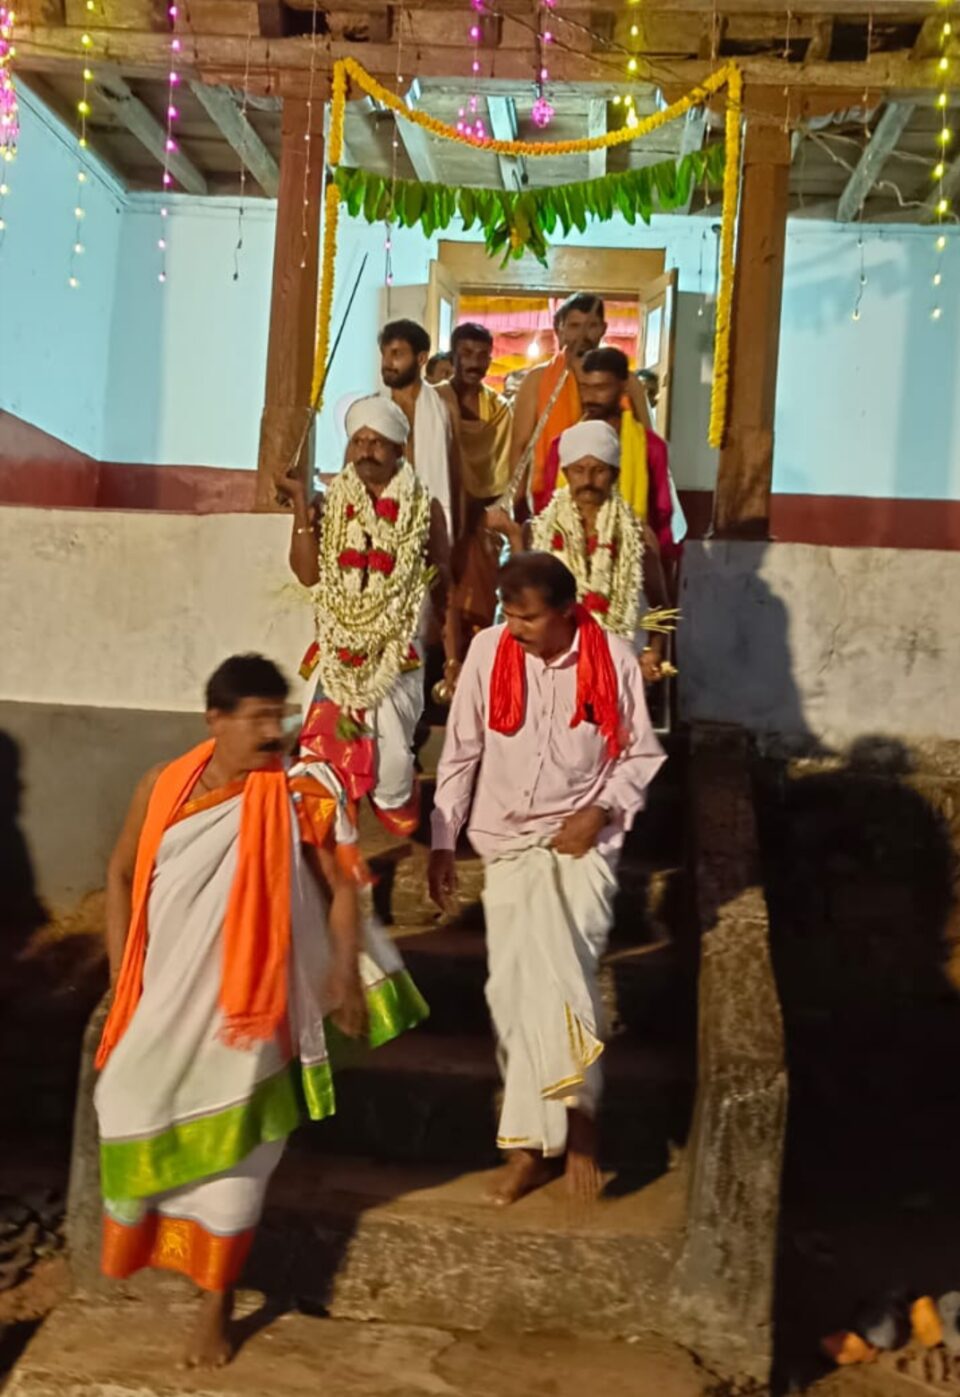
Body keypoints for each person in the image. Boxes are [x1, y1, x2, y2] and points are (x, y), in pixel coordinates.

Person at [95, 654, 427, 1368]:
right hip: (166, 994)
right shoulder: (161, 785)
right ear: (215, 719)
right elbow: (122, 873)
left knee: (238, 1159)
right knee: (122, 1100)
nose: (272, 731)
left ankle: (215, 1304)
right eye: (255, 718)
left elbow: (343, 887)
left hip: (251, 1008)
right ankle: (161, 1249)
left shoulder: (301, 794)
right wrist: (125, 975)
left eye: (278, 716)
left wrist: (343, 972)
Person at [429, 554, 665, 1205]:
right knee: (512, 996)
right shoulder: (487, 651)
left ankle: (580, 1123)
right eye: (509, 615)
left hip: (578, 847)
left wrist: (600, 810)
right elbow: (462, 750)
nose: (516, 628)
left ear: (565, 612)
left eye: (528, 617)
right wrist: (443, 840)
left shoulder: (612, 658)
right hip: (508, 843)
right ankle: (529, 1149)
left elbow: (640, 755)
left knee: (566, 988)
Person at [280, 396, 458, 835]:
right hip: (337, 648)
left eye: (376, 442)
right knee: (320, 746)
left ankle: (394, 795)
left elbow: (445, 590)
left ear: (398, 449)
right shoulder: (330, 505)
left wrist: (452, 658)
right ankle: (334, 835)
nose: (365, 451)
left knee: (391, 757)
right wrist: (302, 506)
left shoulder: (423, 508)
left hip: (398, 650)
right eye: (358, 441)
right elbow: (306, 575)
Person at [487, 420, 670, 683]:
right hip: (549, 667)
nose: (588, 481)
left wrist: (654, 651)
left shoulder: (638, 535)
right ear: (566, 472)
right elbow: (518, 595)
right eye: (579, 470)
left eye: (599, 470)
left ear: (615, 474)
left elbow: (660, 605)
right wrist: (514, 536)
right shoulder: (537, 530)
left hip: (618, 668)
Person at [538, 347, 685, 580]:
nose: (590, 397)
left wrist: (661, 569)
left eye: (601, 388)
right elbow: (548, 504)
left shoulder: (649, 447)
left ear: (623, 386)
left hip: (630, 569)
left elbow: (661, 514)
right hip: (569, 565)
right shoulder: (563, 445)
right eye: (585, 387)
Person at [509, 294, 651, 517]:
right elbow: (520, 445)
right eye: (574, 326)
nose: (583, 335)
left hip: (615, 502)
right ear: (559, 330)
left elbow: (647, 442)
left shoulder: (627, 382)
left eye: (592, 326)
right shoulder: (537, 380)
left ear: (603, 329)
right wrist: (516, 499)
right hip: (551, 502)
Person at [447, 322, 513, 650]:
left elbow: (502, 471)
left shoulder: (499, 411)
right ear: (452, 356)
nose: (474, 363)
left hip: (482, 519)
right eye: (466, 353)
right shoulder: (436, 401)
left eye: (482, 355)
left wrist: (480, 512)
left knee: (480, 605)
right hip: (441, 512)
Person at [379, 318, 462, 543]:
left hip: (434, 523)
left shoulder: (443, 406)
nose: (387, 362)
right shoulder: (375, 411)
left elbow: (456, 472)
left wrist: (459, 533)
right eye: (384, 354)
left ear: (421, 358)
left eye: (396, 354)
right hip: (384, 525)